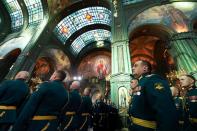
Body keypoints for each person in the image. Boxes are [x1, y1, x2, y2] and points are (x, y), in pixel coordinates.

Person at [130, 60, 178, 131]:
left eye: (136, 65)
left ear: (145, 68)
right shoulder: (141, 82)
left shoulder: (153, 80)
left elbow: (164, 109)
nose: (132, 68)